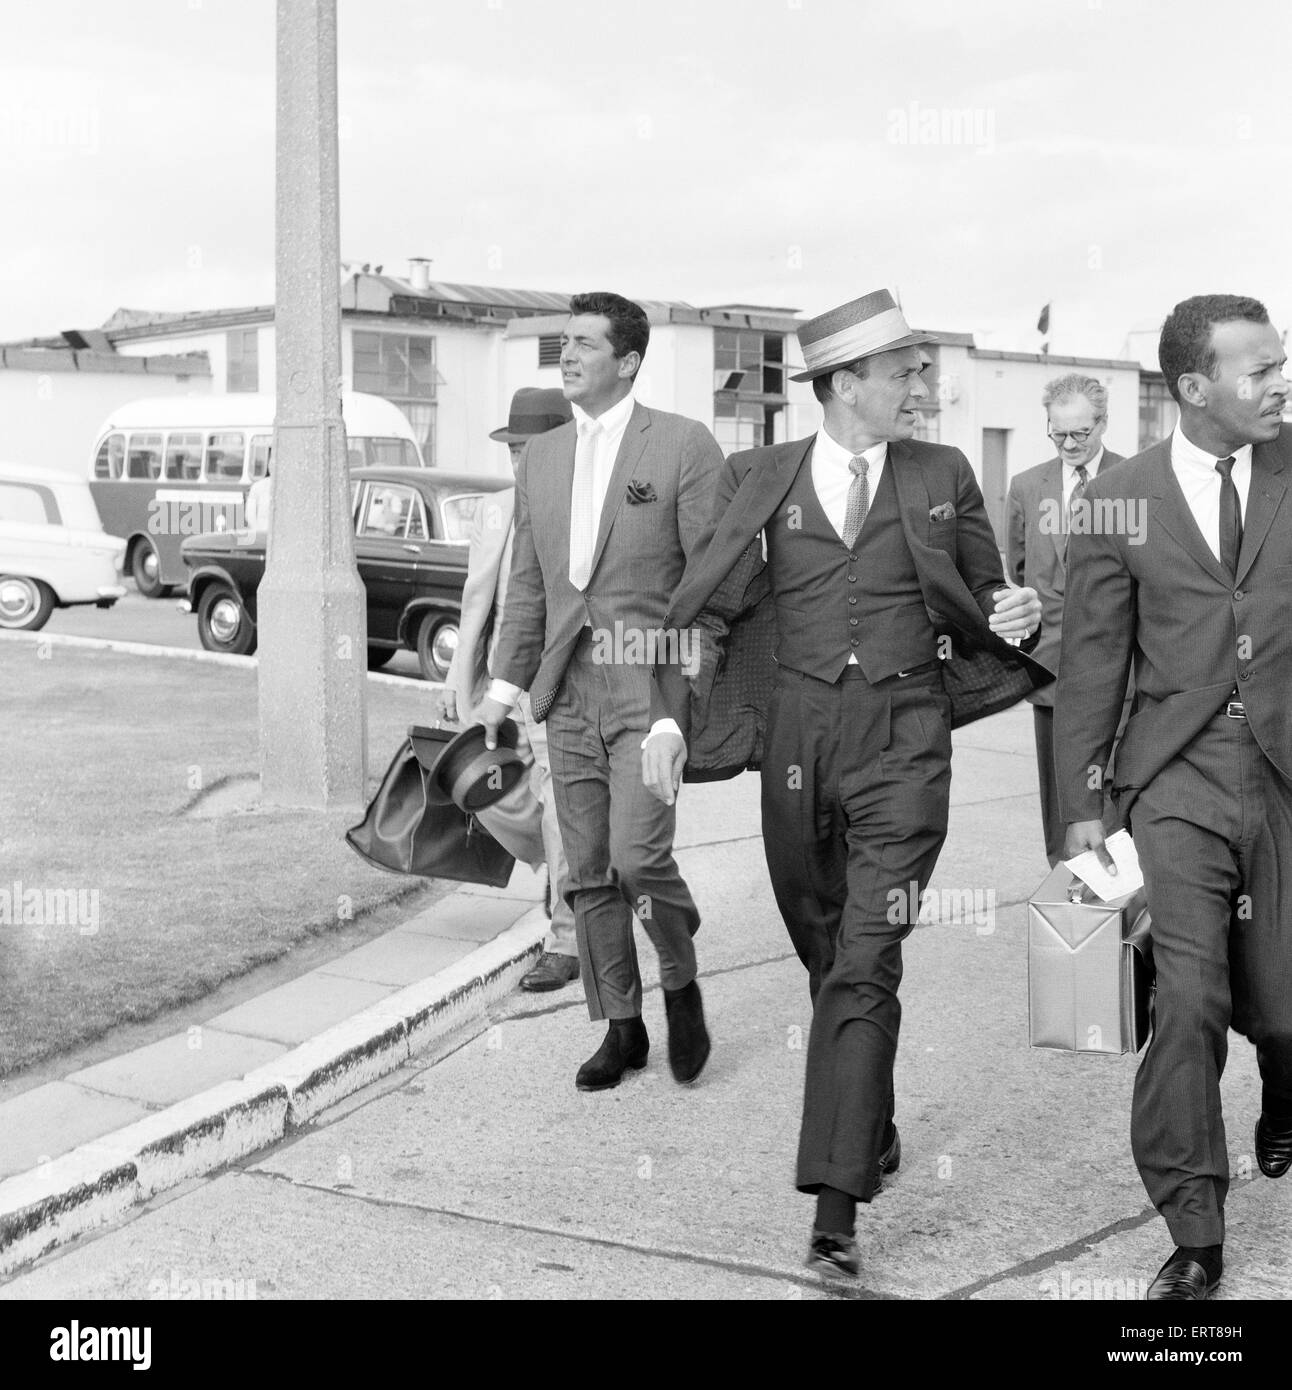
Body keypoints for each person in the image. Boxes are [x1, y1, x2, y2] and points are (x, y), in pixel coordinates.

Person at [643, 289, 1047, 1280]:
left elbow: (985, 591)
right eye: (901, 371)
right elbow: (697, 603)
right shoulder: (762, 478)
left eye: (917, 369)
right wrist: (663, 714)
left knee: (866, 959)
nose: (917, 386)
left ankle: (834, 1216)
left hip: (906, 738)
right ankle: (871, 1109)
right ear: (842, 383)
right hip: (797, 739)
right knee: (828, 957)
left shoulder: (939, 472)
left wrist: (1017, 608)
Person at [1055, 294, 1292, 1301]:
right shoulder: (1119, 500)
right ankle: (1194, 1230)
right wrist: (1079, 814)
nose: (1278, 384)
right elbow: (1090, 664)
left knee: (1280, 1004)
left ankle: (1281, 1082)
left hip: (1283, 777)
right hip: (1174, 782)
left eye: (1280, 364)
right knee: (1187, 999)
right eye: (1257, 371)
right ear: (1192, 389)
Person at [475, 291, 724, 1092]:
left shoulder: (683, 447)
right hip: (565, 691)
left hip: (646, 689)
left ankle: (680, 980)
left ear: (629, 361)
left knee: (636, 856)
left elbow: (713, 588)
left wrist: (675, 711)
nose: (568, 356)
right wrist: (500, 689)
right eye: (563, 343)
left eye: (586, 343)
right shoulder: (539, 458)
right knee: (583, 869)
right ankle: (623, 1024)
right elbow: (527, 587)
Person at [433, 387, 585, 992]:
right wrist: (456, 674)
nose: (519, 462)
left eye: (530, 449)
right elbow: (478, 599)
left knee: (557, 806)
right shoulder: (493, 510)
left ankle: (568, 938)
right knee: (483, 789)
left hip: (561, 683)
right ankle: (562, 864)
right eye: (513, 449)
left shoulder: (583, 508)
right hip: (499, 683)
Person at [1006, 374, 1128, 865]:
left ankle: (1127, 912)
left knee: (1116, 800)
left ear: (1104, 422)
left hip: (1124, 673)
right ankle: (1069, 909)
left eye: (1082, 433)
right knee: (1061, 803)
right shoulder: (1026, 486)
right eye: (1059, 433)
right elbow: (1017, 571)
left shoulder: (1135, 477)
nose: (1070, 444)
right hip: (1051, 669)